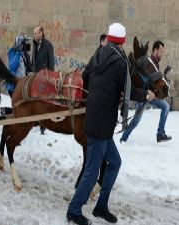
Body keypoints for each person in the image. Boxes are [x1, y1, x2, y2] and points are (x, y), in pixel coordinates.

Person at [66, 23, 156, 225]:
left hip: (98, 121)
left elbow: (86, 76)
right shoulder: (120, 62)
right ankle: (73, 210)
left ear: (109, 37)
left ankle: (100, 207)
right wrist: (147, 95)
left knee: (114, 163)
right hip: (101, 124)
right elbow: (130, 90)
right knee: (92, 170)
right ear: (123, 41)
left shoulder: (98, 54)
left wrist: (98, 94)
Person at [120, 40, 172, 143]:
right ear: (155, 50)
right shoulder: (147, 61)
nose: (162, 54)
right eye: (161, 51)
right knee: (136, 120)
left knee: (166, 106)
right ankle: (123, 138)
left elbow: (154, 82)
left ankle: (160, 134)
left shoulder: (155, 64)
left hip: (151, 94)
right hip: (143, 94)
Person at [32, 25, 54, 134]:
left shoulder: (48, 45)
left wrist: (48, 78)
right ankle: (36, 121)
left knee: (42, 102)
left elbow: (51, 65)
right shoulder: (34, 44)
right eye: (34, 33)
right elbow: (33, 61)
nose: (34, 35)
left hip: (44, 79)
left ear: (41, 33)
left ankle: (43, 124)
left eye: (35, 33)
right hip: (35, 77)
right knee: (35, 100)